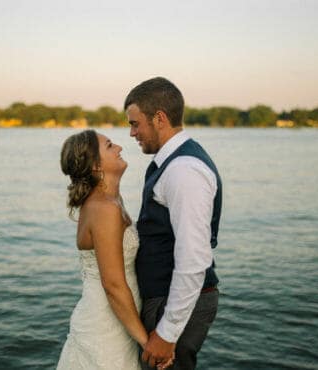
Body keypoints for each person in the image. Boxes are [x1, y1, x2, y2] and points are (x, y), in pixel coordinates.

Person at [124, 77, 222, 370]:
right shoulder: (173, 163)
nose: (132, 133)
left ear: (160, 118)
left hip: (173, 303)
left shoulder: (183, 170)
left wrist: (167, 332)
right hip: (166, 298)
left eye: (135, 123)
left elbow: (194, 257)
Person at [57, 130, 173, 370]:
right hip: (105, 328)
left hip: (121, 322)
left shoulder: (111, 201)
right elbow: (113, 285)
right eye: (109, 145)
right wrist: (147, 342)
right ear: (96, 166)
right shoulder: (104, 208)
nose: (119, 147)